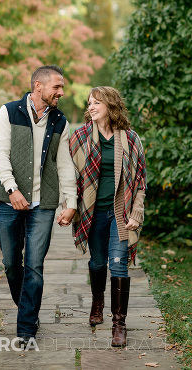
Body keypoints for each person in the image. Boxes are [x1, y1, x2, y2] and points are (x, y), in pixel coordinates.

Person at [0, 65, 77, 345]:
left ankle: (27, 327)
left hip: (44, 205)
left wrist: (70, 201)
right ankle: (27, 308)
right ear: (38, 86)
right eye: (57, 87)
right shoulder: (9, 112)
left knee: (35, 266)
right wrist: (12, 189)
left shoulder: (60, 121)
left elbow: (64, 164)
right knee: (10, 263)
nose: (61, 93)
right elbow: (0, 155)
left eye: (62, 87)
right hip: (10, 201)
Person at [69, 86, 147, 348]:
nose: (90, 107)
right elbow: (69, 176)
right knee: (98, 262)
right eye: (89, 103)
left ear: (110, 106)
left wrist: (136, 211)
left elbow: (140, 180)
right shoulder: (79, 137)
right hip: (92, 212)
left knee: (119, 265)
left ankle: (119, 325)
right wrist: (69, 205)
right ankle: (97, 302)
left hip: (120, 212)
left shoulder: (131, 139)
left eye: (96, 103)